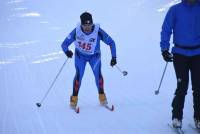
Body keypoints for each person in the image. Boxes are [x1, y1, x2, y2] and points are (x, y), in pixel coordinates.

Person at [61, 12, 117, 108]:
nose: (87, 27)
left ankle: (102, 97)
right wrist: (67, 51)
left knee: (98, 75)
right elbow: (64, 44)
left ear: (92, 23)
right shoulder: (76, 31)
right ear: (81, 24)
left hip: (94, 57)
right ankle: (74, 99)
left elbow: (111, 43)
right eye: (85, 25)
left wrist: (114, 57)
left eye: (89, 25)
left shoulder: (98, 31)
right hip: (80, 57)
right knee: (79, 76)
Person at [160, 0, 200, 129]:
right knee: (182, 87)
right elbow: (166, 29)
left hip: (198, 53)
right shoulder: (175, 10)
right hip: (180, 53)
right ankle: (176, 117)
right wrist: (164, 49)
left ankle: (198, 118)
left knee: (198, 87)